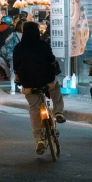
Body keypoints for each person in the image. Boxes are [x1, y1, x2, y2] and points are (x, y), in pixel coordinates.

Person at [13, 21, 65, 154]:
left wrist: (19, 77)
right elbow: (51, 60)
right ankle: (58, 112)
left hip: (29, 83)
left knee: (34, 108)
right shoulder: (43, 45)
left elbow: (16, 67)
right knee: (56, 90)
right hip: (47, 80)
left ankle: (39, 139)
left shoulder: (19, 47)